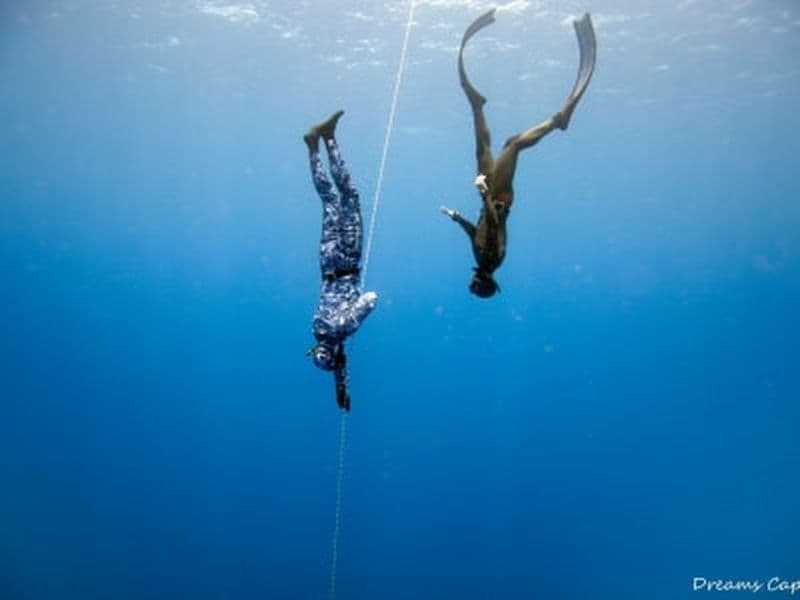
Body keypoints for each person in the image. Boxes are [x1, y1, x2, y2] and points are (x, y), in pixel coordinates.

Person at [440, 9, 597, 298]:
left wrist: (455, 217)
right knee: (513, 145)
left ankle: (477, 105)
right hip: (497, 198)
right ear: (481, 282)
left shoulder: (483, 261)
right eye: (474, 285)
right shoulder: (491, 260)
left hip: (492, 197)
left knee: (484, 148)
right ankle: (558, 121)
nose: (471, 282)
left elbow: (474, 233)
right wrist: (483, 194)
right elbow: (493, 226)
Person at [304, 110, 377, 411]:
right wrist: (340, 386)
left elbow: (371, 299)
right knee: (330, 201)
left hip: (347, 259)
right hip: (327, 260)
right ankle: (313, 146)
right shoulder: (318, 330)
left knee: (350, 196)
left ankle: (330, 139)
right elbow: (334, 352)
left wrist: (358, 312)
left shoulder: (342, 329)